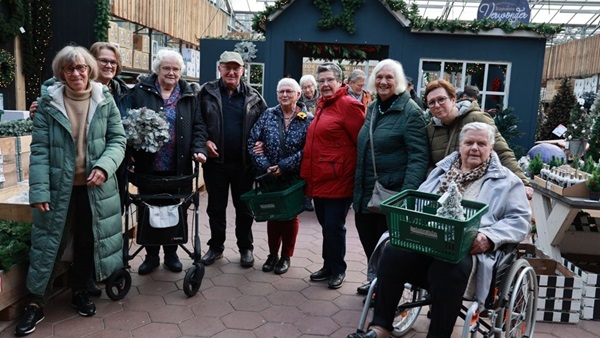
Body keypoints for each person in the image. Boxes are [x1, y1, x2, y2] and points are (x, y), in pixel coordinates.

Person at [348, 122, 531, 338]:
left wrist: (489, 238)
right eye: (469, 142)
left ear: (491, 148)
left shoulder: (507, 181)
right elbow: (420, 199)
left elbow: (520, 220)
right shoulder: (442, 171)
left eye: (481, 143)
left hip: (468, 253)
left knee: (448, 267)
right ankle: (381, 327)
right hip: (427, 242)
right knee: (392, 251)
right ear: (459, 146)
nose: (474, 148)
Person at [15, 46, 126, 336]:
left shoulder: (105, 100)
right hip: (56, 188)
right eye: (69, 69)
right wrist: (38, 191)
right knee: (49, 242)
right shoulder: (49, 103)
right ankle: (36, 302)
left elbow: (118, 140)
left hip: (95, 187)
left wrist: (104, 166)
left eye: (81, 68)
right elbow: (38, 150)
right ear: (61, 72)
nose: (76, 73)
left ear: (90, 69)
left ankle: (79, 291)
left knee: (88, 240)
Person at [126, 49, 207, 275]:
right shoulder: (141, 92)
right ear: (157, 70)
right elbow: (129, 123)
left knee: (176, 209)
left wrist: (199, 149)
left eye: (175, 69)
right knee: (148, 208)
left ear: (181, 71)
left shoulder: (189, 94)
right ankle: (151, 256)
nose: (171, 73)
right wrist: (131, 149)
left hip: (178, 165)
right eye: (166, 68)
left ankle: (171, 254)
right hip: (148, 165)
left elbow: (198, 126)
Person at [353, 59, 430, 296]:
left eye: (389, 77)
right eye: (379, 77)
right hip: (367, 191)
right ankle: (375, 279)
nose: (383, 81)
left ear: (398, 82)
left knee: (386, 246)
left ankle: (385, 291)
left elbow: (419, 157)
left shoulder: (410, 112)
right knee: (369, 240)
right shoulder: (374, 107)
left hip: (393, 195)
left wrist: (406, 196)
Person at [300, 62, 365, 289]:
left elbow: (361, 142)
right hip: (320, 178)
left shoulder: (348, 105)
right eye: (322, 81)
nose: (325, 84)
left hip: (339, 179)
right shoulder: (322, 105)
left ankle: (338, 269)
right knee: (325, 225)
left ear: (340, 82)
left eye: (330, 80)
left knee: (334, 227)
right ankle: (328, 265)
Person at [199, 51, 267, 267]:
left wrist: (262, 142)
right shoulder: (206, 93)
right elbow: (196, 123)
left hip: (244, 165)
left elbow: (265, 125)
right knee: (216, 207)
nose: (231, 72)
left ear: (242, 70)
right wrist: (204, 142)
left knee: (244, 208)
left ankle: (245, 248)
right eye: (227, 67)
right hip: (215, 164)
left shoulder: (254, 97)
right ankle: (216, 247)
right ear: (219, 69)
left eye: (235, 68)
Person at [425, 79, 533, 200]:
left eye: (441, 99)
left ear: (453, 99)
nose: (437, 105)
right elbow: (430, 163)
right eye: (431, 102)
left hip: (477, 190)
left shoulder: (476, 118)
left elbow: (501, 151)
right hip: (444, 190)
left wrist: (523, 183)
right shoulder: (431, 129)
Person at [247, 78, 313, 274]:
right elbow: (252, 142)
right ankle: (272, 254)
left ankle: (286, 256)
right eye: (281, 92)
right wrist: (267, 166)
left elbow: (308, 149)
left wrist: (284, 165)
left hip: (292, 177)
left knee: (290, 217)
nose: (285, 95)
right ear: (276, 95)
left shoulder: (306, 119)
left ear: (298, 95)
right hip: (270, 177)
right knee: (272, 215)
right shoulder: (268, 115)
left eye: (289, 91)